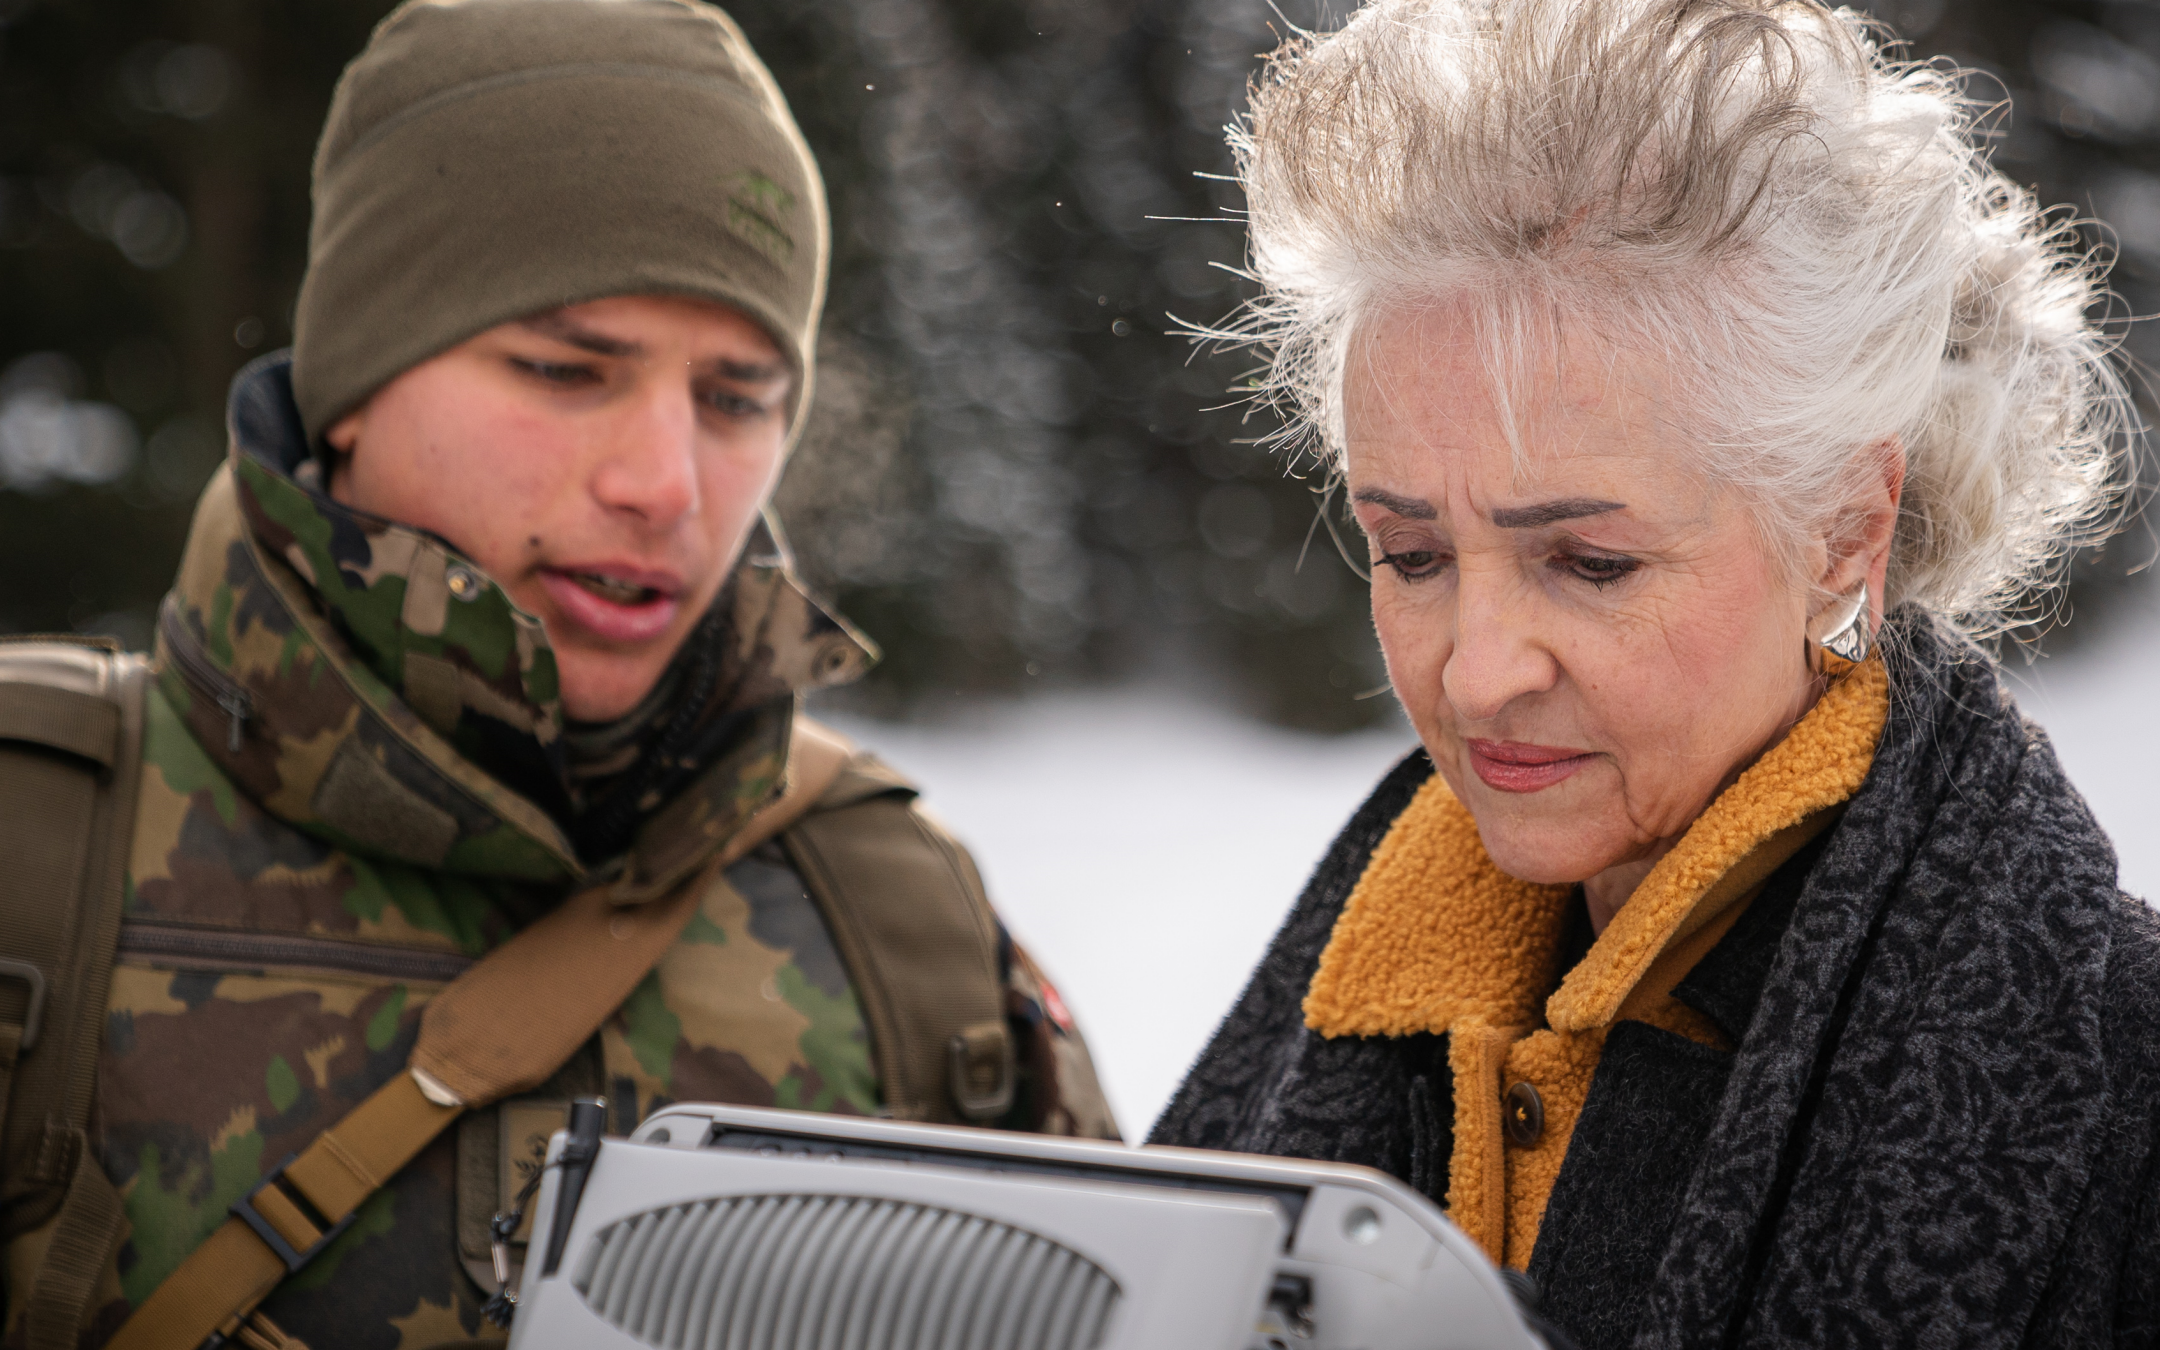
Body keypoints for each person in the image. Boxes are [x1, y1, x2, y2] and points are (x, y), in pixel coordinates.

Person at [0, 2, 1116, 1345]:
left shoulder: (893, 911)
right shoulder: (31, 844)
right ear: (355, 379)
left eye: (737, 397)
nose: (666, 484)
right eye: (565, 369)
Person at [1150, 1, 2159, 1345]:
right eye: (1409, 551)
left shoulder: (2121, 1105)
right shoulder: (1350, 970)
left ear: (1845, 530)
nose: (1481, 671)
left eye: (1589, 560)